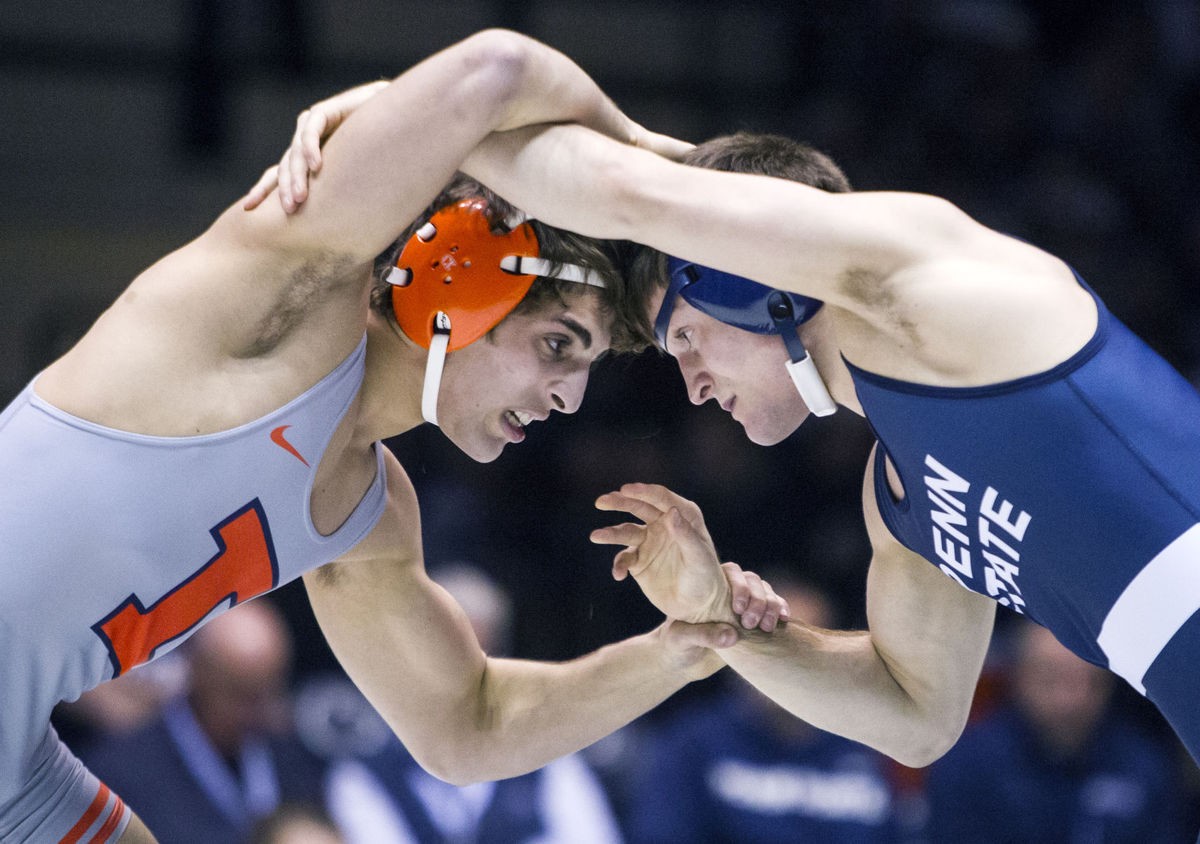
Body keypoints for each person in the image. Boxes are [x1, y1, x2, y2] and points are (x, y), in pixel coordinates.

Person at [0, 31, 787, 843]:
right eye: (558, 346)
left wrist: (686, 646)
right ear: (459, 282)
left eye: (586, 366)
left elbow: (468, 729)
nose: (570, 396)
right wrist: (670, 169)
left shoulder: (364, 513)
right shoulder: (278, 300)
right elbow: (496, 71)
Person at [278, 87, 1200, 772]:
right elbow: (916, 716)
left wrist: (403, 124)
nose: (688, 382)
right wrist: (722, 624)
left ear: (743, 275)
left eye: (684, 334)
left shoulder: (923, 281)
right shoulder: (902, 492)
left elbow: (621, 192)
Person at [326, 563, 623, 844]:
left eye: (483, 661)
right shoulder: (366, 774)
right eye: (446, 664)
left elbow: (594, 836)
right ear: (410, 663)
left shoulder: (547, 761)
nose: (464, 684)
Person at [624, 577, 900, 843]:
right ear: (736, 648)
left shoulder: (868, 746)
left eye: (806, 653)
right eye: (773, 645)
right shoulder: (693, 743)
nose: (788, 668)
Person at [80, 600, 330, 844]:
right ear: (200, 678)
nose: (260, 711)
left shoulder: (301, 759)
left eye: (269, 691)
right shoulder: (121, 776)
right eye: (243, 695)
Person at [922, 619, 1188, 842]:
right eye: (1051, 680)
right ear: (1019, 675)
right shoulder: (967, 765)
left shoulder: (1145, 764)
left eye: (1088, 683)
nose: (1069, 700)